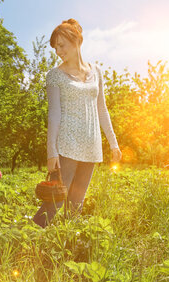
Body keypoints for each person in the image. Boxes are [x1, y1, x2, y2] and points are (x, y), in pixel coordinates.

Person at [33, 19, 122, 228]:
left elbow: (102, 109)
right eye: (55, 48)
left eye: (62, 45)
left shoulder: (96, 72)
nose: (58, 51)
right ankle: (25, 246)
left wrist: (113, 143)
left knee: (76, 204)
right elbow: (53, 114)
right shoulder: (55, 75)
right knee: (54, 203)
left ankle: (68, 250)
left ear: (77, 41)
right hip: (66, 146)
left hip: (91, 147)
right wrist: (51, 152)